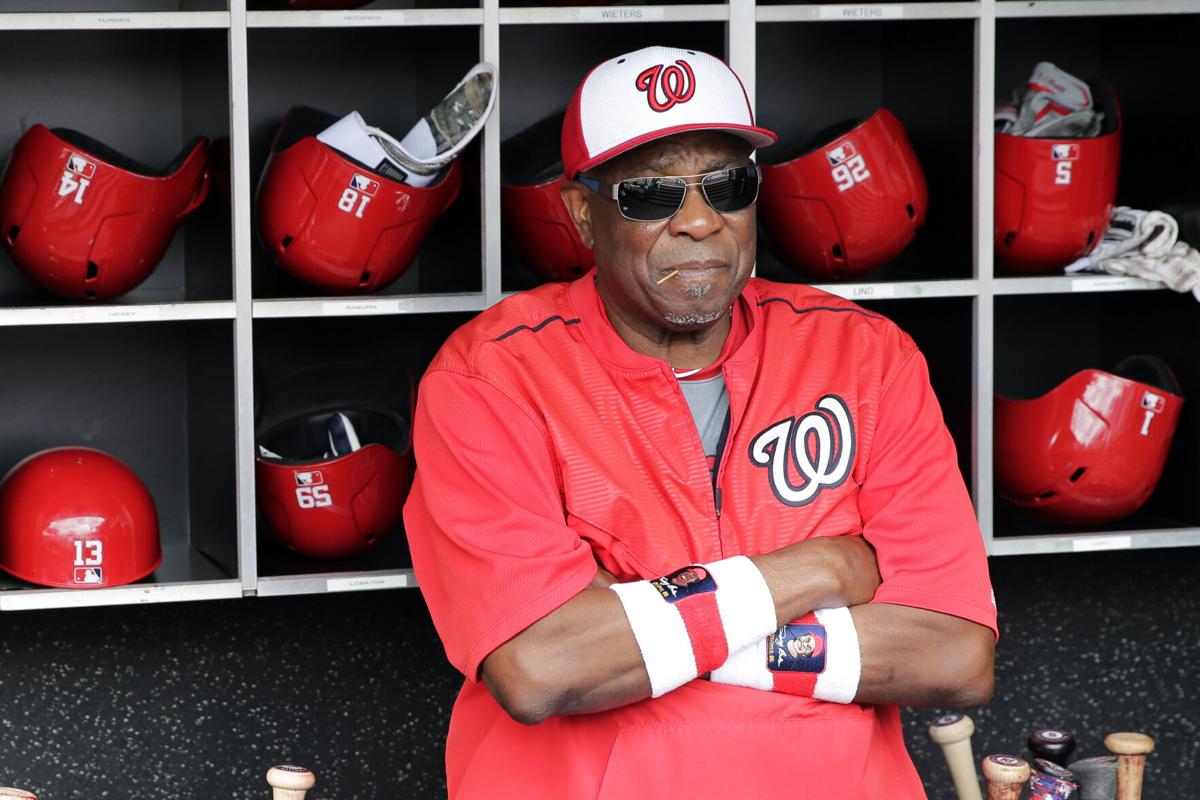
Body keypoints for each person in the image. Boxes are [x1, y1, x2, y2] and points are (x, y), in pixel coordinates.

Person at [404, 45, 997, 799]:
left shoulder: (865, 356)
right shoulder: (490, 378)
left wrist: (639, 621)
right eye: (650, 194)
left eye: (728, 185)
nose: (698, 222)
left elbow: (955, 658)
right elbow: (541, 669)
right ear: (582, 214)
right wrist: (827, 568)